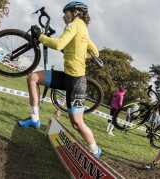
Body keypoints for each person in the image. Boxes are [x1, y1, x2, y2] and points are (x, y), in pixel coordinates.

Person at [18, 1, 101, 158]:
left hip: (76, 81)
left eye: (66, 13)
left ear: (75, 12)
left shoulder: (76, 25)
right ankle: (35, 119)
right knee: (33, 77)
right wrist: (78, 52)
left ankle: (95, 151)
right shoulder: (81, 27)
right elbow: (95, 51)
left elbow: (59, 44)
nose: (64, 16)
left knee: (76, 123)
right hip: (67, 75)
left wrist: (40, 37)